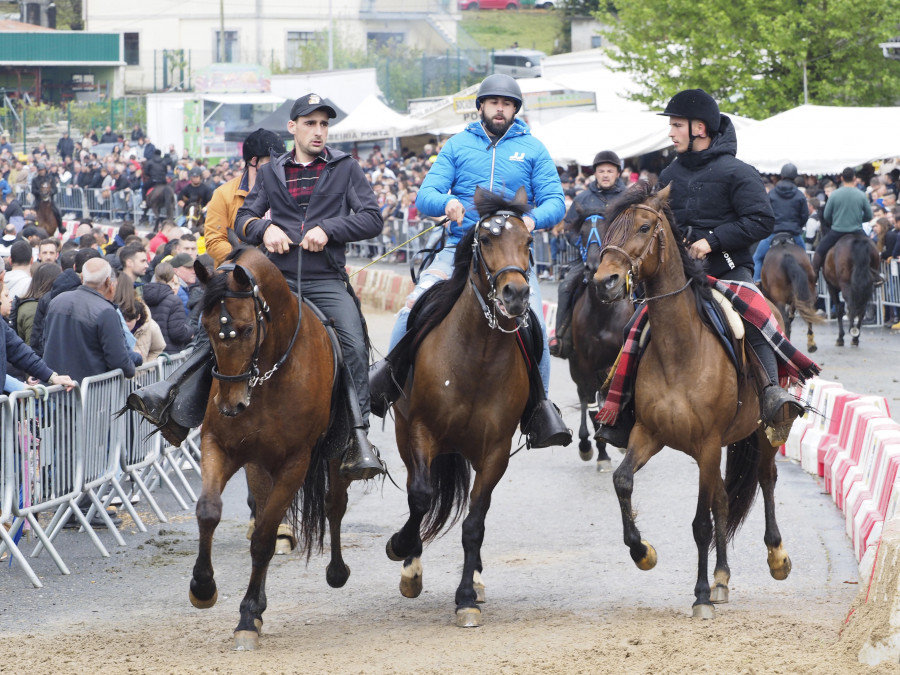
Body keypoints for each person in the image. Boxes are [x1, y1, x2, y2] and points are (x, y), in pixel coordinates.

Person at [128, 93, 385, 482]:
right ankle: (174, 397)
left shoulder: (346, 168)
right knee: (221, 318)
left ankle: (358, 437)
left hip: (325, 278)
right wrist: (268, 229)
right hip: (275, 277)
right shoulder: (271, 172)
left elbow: (372, 218)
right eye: (310, 123)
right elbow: (245, 218)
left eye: (324, 124)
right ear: (293, 128)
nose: (318, 131)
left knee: (351, 340)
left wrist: (328, 229)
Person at [372, 73, 570, 448]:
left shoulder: (534, 149)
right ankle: (386, 383)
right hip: (459, 249)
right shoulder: (457, 145)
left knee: (539, 328)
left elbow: (555, 202)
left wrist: (531, 219)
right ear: (481, 106)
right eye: (494, 102)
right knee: (408, 310)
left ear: (514, 109)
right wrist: (446, 202)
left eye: (507, 103)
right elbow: (425, 194)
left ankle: (539, 410)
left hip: (511, 254)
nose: (500, 108)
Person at [599, 88, 803, 446]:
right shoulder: (669, 173)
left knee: (755, 316)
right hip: (680, 276)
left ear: (700, 128)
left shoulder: (740, 172)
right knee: (633, 325)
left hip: (728, 271)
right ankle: (624, 406)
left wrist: (713, 239)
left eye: (676, 125)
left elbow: (761, 220)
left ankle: (771, 395)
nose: (671, 132)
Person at [550, 149, 626, 358]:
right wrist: (583, 247)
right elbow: (568, 227)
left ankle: (647, 336)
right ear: (595, 173)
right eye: (601, 171)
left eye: (610, 171)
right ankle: (561, 336)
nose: (605, 175)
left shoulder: (626, 197)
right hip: (586, 256)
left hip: (619, 260)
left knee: (642, 288)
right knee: (566, 286)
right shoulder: (582, 198)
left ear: (617, 173)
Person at [42, 257, 137, 381]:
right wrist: (133, 365)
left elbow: (44, 341)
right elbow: (119, 361)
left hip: (56, 389)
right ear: (109, 282)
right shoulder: (106, 311)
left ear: (82, 278)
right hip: (91, 395)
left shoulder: (57, 301)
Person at [205, 129, 286, 267]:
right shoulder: (223, 194)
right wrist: (248, 258)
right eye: (273, 161)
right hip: (238, 275)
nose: (280, 166)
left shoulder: (287, 189)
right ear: (254, 161)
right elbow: (214, 241)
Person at [811, 167, 884, 286]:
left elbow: (826, 215)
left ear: (841, 178)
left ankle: (814, 277)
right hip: (857, 230)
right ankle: (876, 275)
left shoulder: (834, 195)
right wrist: (858, 220)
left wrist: (835, 221)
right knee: (873, 249)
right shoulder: (861, 194)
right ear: (854, 178)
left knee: (819, 250)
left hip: (837, 231)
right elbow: (869, 215)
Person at [752, 163, 809, 282]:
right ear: (795, 177)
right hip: (793, 234)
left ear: (782, 176)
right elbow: (804, 216)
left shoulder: (772, 193)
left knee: (757, 258)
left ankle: (756, 282)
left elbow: (766, 212)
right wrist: (797, 226)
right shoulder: (799, 195)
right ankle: (811, 283)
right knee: (806, 260)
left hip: (774, 233)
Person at [141, 261, 194, 353]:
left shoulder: (144, 298)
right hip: (170, 355)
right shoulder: (174, 300)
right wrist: (190, 331)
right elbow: (177, 333)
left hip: (150, 353)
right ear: (173, 279)